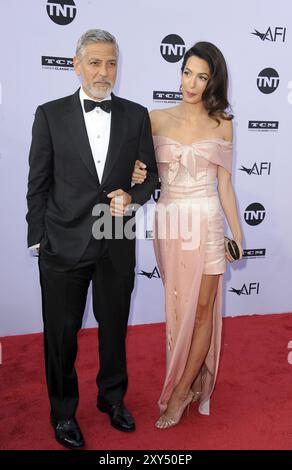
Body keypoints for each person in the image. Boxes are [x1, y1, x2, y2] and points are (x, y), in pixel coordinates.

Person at [26, 29, 158, 448]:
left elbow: (150, 175)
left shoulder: (137, 115)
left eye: (112, 63)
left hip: (116, 237)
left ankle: (112, 398)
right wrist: (38, 239)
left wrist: (133, 196)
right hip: (62, 241)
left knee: (113, 328)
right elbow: (38, 184)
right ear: (76, 64)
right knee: (61, 334)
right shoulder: (49, 114)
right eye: (97, 63)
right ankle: (63, 412)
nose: (105, 72)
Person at [133, 41, 243, 428]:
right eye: (187, 72)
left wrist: (238, 234)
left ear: (213, 82)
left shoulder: (223, 124)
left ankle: (181, 393)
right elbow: (141, 173)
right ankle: (190, 376)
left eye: (201, 76)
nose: (191, 83)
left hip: (209, 222)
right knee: (179, 307)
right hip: (171, 224)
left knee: (202, 312)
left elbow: (225, 186)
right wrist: (135, 174)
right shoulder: (155, 118)